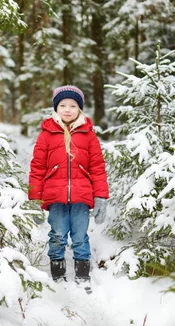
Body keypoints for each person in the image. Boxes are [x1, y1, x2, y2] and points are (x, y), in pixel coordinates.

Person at [28, 85, 109, 287]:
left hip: (82, 197)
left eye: (72, 105)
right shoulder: (46, 134)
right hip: (55, 197)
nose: (67, 109)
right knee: (57, 235)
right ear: (56, 108)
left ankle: (83, 275)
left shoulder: (89, 135)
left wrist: (101, 197)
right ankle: (58, 275)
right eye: (62, 105)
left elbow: (98, 168)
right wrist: (34, 199)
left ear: (79, 109)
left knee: (80, 236)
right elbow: (37, 168)